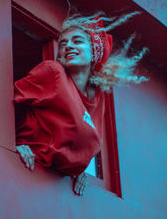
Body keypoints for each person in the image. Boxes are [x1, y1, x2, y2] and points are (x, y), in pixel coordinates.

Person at [14, 11, 148, 196]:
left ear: (94, 51)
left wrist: (79, 170)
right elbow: (5, 99)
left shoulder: (98, 97)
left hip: (58, 189)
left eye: (77, 41)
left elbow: (85, 140)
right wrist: (12, 142)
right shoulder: (52, 73)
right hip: (24, 170)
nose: (68, 46)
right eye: (63, 43)